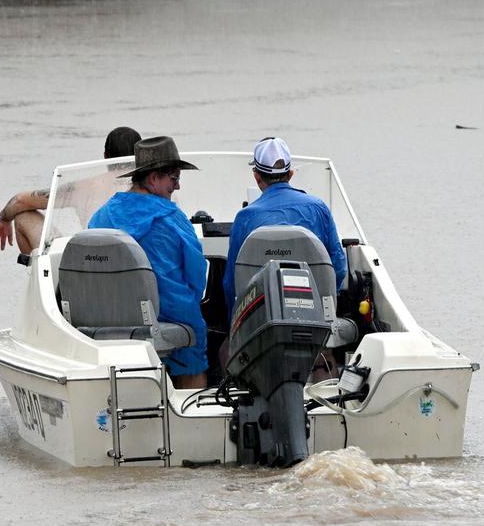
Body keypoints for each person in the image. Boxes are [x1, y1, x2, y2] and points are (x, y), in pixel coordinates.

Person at [88, 136, 209, 389]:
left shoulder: (100, 216)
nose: (177, 187)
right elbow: (197, 276)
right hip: (168, 312)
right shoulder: (172, 217)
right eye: (174, 178)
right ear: (154, 179)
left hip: (109, 317)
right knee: (195, 338)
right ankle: (192, 405)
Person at [222, 137, 348, 311]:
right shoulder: (319, 209)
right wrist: (327, 307)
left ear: (257, 177)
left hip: (260, 322)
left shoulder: (245, 218)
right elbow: (339, 268)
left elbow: (232, 283)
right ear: (290, 174)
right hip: (317, 321)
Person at [0, 126, 141, 254]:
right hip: (136, 260)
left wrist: (3, 220)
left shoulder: (84, 187)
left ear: (105, 156)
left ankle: (42, 280)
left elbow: (20, 201)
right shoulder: (152, 187)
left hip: (90, 260)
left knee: (22, 215)